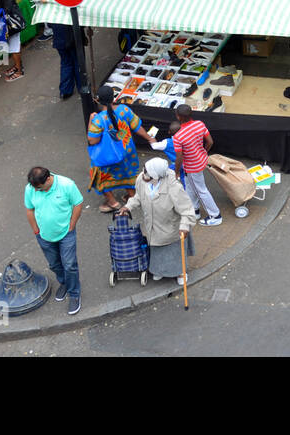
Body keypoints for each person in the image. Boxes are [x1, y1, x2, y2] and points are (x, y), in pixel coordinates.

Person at [120, 158, 197, 286]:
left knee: (174, 251)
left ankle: (180, 273)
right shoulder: (141, 178)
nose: (143, 174)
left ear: (156, 176)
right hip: (153, 225)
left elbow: (187, 209)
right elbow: (138, 196)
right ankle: (160, 270)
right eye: (144, 169)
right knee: (157, 250)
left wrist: (184, 226)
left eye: (147, 173)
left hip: (171, 227)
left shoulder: (173, 187)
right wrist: (128, 207)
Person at [24, 166, 84, 316]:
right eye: (35, 188)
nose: (36, 191)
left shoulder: (67, 185)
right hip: (43, 235)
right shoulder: (31, 188)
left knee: (69, 264)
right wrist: (36, 230)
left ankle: (74, 293)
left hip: (66, 233)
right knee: (54, 264)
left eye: (40, 188)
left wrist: (72, 225)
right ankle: (64, 282)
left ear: (48, 179)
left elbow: (78, 203)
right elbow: (29, 209)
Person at [87, 86, 151, 213]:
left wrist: (90, 120)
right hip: (126, 152)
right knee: (127, 172)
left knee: (100, 175)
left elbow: (93, 140)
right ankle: (132, 196)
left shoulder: (98, 119)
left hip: (107, 156)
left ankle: (113, 203)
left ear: (97, 100)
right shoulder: (124, 110)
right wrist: (150, 138)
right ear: (114, 97)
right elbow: (137, 127)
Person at [173, 105, 225, 225]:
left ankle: (215, 215)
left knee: (201, 190)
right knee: (191, 187)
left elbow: (179, 157)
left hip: (191, 167)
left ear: (178, 117)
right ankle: (194, 211)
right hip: (201, 161)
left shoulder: (178, 136)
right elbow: (210, 142)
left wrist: (176, 172)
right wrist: (202, 152)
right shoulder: (200, 124)